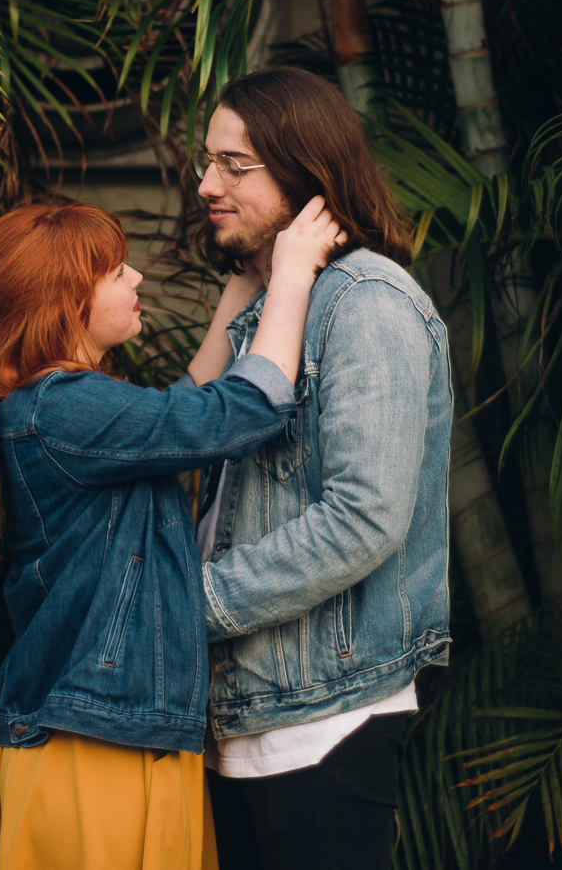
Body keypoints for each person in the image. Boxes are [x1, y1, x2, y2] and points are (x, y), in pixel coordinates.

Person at [0, 196, 346, 870]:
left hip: (113, 735)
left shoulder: (55, 406)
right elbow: (242, 408)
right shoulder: (62, 407)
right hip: (96, 749)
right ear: (64, 300)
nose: (136, 280)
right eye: (116, 271)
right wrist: (292, 274)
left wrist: (244, 284)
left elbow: (183, 400)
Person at [188, 68, 454, 870]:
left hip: (324, 719)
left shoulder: (368, 302)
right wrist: (252, 284)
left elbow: (364, 516)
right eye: (209, 162)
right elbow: (181, 441)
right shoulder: (275, 308)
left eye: (236, 167)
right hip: (244, 716)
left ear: (308, 174)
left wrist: (191, 603)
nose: (208, 185)